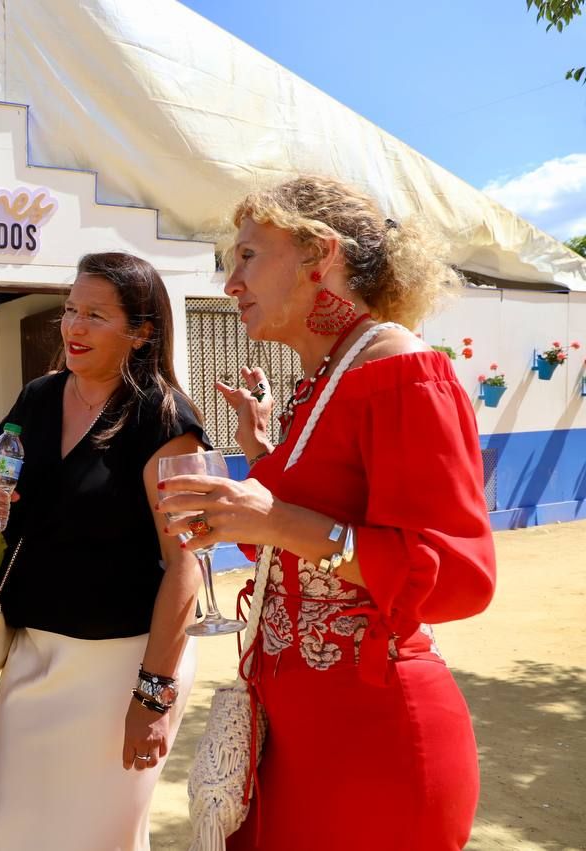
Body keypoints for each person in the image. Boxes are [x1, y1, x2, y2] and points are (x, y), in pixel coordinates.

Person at [157, 176, 497, 850]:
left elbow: (461, 576)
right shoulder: (322, 383)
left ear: (321, 254)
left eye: (248, 256)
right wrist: (258, 500)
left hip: (374, 742)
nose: (231, 283)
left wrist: (276, 517)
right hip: (295, 736)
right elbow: (303, 557)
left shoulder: (400, 369)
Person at [0, 252, 207, 850]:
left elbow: (186, 565)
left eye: (95, 315)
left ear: (141, 330)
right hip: (31, 656)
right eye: (70, 310)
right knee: (18, 835)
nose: (73, 327)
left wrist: (152, 695)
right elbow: (15, 506)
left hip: (121, 666)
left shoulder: (164, 419)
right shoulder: (38, 398)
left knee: (102, 839)